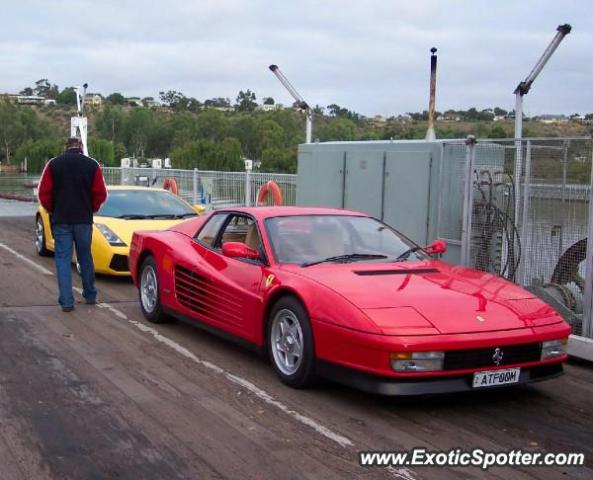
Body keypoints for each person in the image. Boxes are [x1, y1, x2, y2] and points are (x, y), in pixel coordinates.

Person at [38, 137, 108, 312]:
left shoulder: (53, 165)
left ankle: (67, 302)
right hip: (83, 219)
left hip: (61, 219)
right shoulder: (92, 165)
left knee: (62, 259)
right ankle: (90, 295)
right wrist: (91, 208)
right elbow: (101, 193)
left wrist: (53, 210)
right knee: (85, 257)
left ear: (65, 148)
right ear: (81, 148)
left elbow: (43, 193)